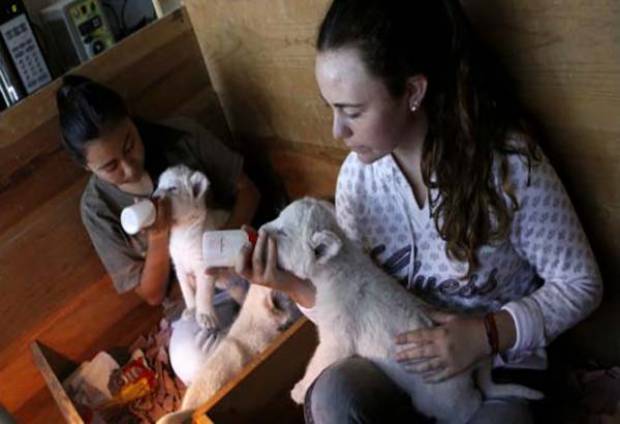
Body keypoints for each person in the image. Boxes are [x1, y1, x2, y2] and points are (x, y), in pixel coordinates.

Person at [219, 0, 604, 423]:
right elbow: (347, 298)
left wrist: (485, 334)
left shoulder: (508, 166)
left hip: (498, 362)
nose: (337, 131)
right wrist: (287, 283)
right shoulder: (358, 181)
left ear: (413, 92)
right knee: (333, 397)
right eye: (331, 107)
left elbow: (581, 283)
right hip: (397, 359)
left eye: (352, 111)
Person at [56, 74, 261, 384]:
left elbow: (249, 191)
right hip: (191, 301)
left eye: (130, 145)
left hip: (241, 260)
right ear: (87, 167)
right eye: (110, 167)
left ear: (131, 119)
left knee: (286, 288)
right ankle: (261, 348)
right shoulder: (97, 208)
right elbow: (152, 294)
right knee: (191, 360)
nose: (129, 166)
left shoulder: (180, 137)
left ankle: (264, 337)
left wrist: (219, 249)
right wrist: (158, 236)